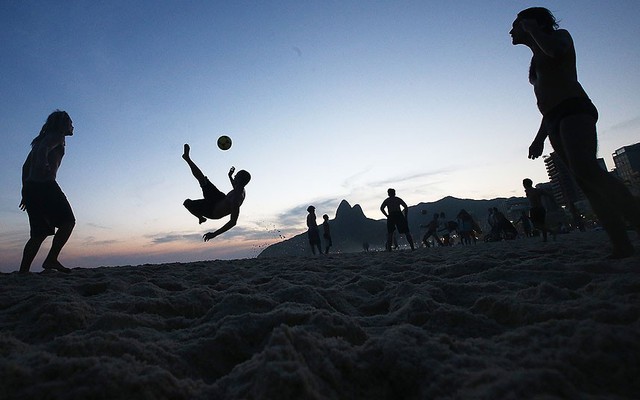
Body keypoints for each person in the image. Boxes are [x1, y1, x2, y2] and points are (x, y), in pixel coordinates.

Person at [511, 7, 640, 258]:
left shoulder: (560, 38)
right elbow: (545, 103)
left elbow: (555, 52)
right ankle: (620, 244)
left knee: (586, 169)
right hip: (554, 118)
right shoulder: (534, 62)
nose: (511, 31)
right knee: (585, 183)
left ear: (532, 23)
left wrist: (533, 30)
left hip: (574, 108)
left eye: (516, 24)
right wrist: (539, 138)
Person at [19, 110, 76, 273]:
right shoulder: (56, 136)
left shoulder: (41, 139)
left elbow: (25, 167)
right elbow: (44, 149)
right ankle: (51, 259)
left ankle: (23, 271)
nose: (73, 126)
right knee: (68, 221)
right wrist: (44, 163)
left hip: (31, 187)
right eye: (70, 122)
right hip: (46, 185)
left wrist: (25, 190)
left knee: (39, 233)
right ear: (63, 124)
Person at [182, 144, 251, 242]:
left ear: (239, 181)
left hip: (213, 210)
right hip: (219, 198)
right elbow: (235, 186)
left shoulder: (236, 199)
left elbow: (233, 222)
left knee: (187, 203)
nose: (234, 177)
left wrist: (214, 234)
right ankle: (187, 158)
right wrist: (230, 176)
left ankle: (200, 218)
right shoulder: (240, 188)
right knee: (202, 180)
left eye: (236, 176)